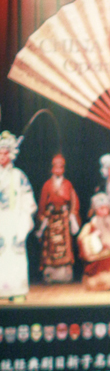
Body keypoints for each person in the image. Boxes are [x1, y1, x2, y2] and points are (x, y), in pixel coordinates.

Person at [0, 129, 37, 301]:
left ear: (11, 154)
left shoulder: (19, 176)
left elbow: (28, 200)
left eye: (5, 153)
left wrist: (24, 222)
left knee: (16, 254)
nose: (2, 157)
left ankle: (17, 290)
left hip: (14, 219)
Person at [36, 152, 81, 282]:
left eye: (60, 167)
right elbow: (42, 203)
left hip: (64, 219)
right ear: (52, 169)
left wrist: (73, 215)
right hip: (51, 219)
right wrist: (42, 218)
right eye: (56, 167)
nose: (58, 170)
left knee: (65, 245)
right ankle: (50, 272)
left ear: (63, 169)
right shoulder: (47, 185)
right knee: (50, 245)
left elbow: (74, 201)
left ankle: (65, 272)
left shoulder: (68, 184)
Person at [77, 192, 110, 291]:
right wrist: (93, 238)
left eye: (106, 208)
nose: (104, 211)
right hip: (100, 257)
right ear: (95, 210)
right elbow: (82, 239)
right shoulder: (91, 225)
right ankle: (101, 284)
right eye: (101, 208)